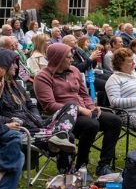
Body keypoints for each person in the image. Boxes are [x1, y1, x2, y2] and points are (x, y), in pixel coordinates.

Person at [34, 43, 121, 177]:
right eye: (68, 57)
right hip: (63, 119)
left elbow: (83, 94)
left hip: (85, 110)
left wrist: (91, 106)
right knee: (91, 124)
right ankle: (81, 165)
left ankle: (104, 165)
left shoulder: (74, 70)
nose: (72, 60)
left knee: (114, 121)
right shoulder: (42, 76)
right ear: (58, 58)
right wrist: (80, 110)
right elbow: (49, 106)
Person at [0, 49, 78, 166]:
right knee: (70, 137)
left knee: (71, 105)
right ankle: (66, 174)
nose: (16, 67)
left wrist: (36, 117)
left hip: (35, 123)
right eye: (13, 63)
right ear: (3, 64)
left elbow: (31, 105)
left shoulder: (15, 85)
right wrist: (12, 121)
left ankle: (59, 134)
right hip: (21, 131)